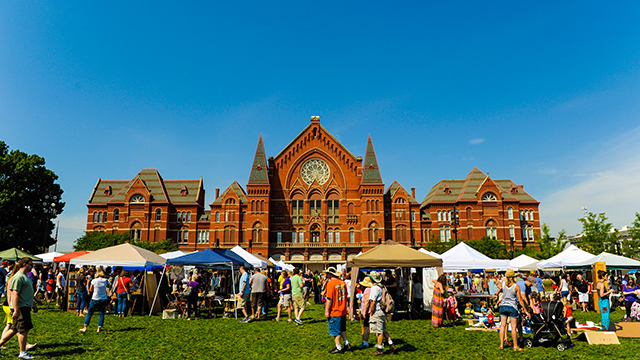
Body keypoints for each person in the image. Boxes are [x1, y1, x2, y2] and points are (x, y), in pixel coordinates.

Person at [0, 258, 41, 359]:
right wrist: (16, 309)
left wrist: (34, 304)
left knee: (14, 329)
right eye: (31, 264)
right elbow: (14, 294)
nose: (32, 267)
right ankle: (22, 352)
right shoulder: (18, 277)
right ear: (25, 264)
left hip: (25, 307)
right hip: (21, 308)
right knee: (23, 330)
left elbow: (27, 293)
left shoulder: (25, 276)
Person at [495, 269, 530, 352]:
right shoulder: (516, 286)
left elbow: (497, 293)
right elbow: (520, 300)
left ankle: (501, 345)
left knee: (502, 326)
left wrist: (498, 294)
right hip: (512, 307)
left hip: (503, 306)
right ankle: (515, 346)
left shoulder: (503, 284)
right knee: (514, 327)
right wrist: (526, 310)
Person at [322, 267, 351, 354]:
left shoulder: (331, 283)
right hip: (342, 309)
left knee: (335, 330)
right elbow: (346, 296)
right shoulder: (343, 283)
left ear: (330, 274)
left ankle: (338, 347)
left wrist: (327, 311)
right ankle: (347, 343)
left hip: (335, 310)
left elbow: (329, 299)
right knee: (342, 329)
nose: (326, 275)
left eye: (327, 274)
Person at [368, 271, 397, 356]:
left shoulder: (374, 288)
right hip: (383, 311)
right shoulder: (382, 286)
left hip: (377, 311)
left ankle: (380, 349)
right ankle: (391, 344)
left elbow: (373, 302)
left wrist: (371, 312)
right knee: (384, 330)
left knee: (379, 331)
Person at [356, 276, 373, 349]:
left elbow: (367, 301)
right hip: (371, 311)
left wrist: (364, 312)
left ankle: (365, 342)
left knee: (366, 327)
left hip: (368, 311)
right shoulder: (371, 289)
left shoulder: (367, 290)